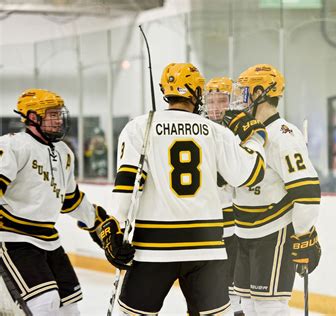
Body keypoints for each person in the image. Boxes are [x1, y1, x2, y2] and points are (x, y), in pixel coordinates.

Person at [112, 63, 267, 315]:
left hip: (153, 248)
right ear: (196, 93)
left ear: (165, 90)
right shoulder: (215, 131)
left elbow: (128, 185)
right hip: (205, 247)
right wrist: (256, 137)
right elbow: (250, 175)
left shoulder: (140, 127)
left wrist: (118, 229)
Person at [0, 89, 133, 315]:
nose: (58, 119)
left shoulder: (63, 152)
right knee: (45, 303)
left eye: (59, 114)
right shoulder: (13, 146)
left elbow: (70, 200)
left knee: (70, 308)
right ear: (32, 117)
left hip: (49, 241)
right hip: (14, 239)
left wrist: (99, 224)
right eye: (51, 114)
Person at [230, 64, 321, 315]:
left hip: (273, 232)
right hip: (245, 232)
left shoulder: (284, 135)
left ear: (260, 93)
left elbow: (307, 191)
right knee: (248, 307)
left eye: (244, 93)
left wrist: (303, 234)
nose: (239, 100)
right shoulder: (247, 134)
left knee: (270, 307)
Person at [203, 76, 243, 315]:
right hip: (207, 228)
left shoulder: (241, 131)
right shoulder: (198, 131)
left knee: (236, 296)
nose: (216, 107)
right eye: (211, 101)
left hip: (236, 229)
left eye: (222, 101)